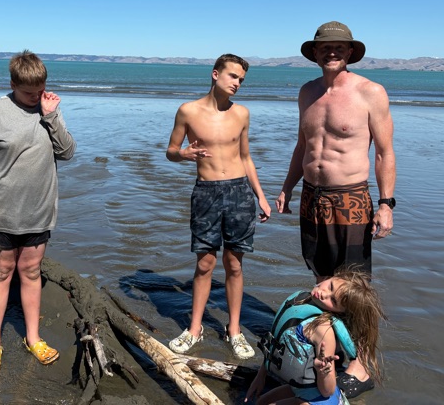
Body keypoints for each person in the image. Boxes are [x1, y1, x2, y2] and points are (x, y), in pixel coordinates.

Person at [275, 21, 396, 398]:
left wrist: (386, 203)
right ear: (314, 52)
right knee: (323, 281)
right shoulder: (307, 92)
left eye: (339, 47)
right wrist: (287, 187)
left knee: (355, 287)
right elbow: (303, 145)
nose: (332, 51)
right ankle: (336, 351)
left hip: (351, 200)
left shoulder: (370, 92)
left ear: (350, 53)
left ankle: (362, 365)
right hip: (312, 198)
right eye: (325, 47)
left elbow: (384, 152)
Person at [0, 50, 76, 374]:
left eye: (40, 90)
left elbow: (67, 152)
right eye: (29, 93)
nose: (36, 97)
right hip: (2, 211)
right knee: (0, 271)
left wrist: (50, 116)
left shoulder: (48, 109)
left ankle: (33, 338)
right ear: (12, 84)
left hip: (39, 209)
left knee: (31, 271)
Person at [165, 54, 271, 359]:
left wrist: (261, 196)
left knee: (234, 265)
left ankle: (234, 330)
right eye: (233, 76)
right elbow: (171, 151)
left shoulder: (242, 114)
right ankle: (194, 329)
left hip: (239, 192)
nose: (237, 83)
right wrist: (183, 154)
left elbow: (246, 157)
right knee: (204, 264)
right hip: (206, 193)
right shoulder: (188, 111)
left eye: (241, 80)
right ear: (215, 74)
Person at [245, 268, 386, 405]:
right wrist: (260, 376)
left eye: (333, 300)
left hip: (320, 400)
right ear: (332, 277)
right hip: (303, 390)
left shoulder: (323, 329)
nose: (325, 294)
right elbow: (275, 344)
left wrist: (323, 371)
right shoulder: (300, 300)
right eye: (330, 286)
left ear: (340, 311)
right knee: (261, 402)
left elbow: (327, 391)